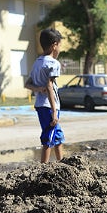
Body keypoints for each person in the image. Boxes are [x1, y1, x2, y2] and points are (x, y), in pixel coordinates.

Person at [25, 28, 65, 163]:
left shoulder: (37, 62)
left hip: (40, 105)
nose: (60, 49)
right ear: (54, 45)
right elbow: (49, 86)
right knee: (49, 137)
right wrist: (54, 111)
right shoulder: (53, 63)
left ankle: (62, 164)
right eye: (60, 46)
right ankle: (43, 168)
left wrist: (38, 88)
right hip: (49, 106)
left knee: (58, 136)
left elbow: (27, 84)